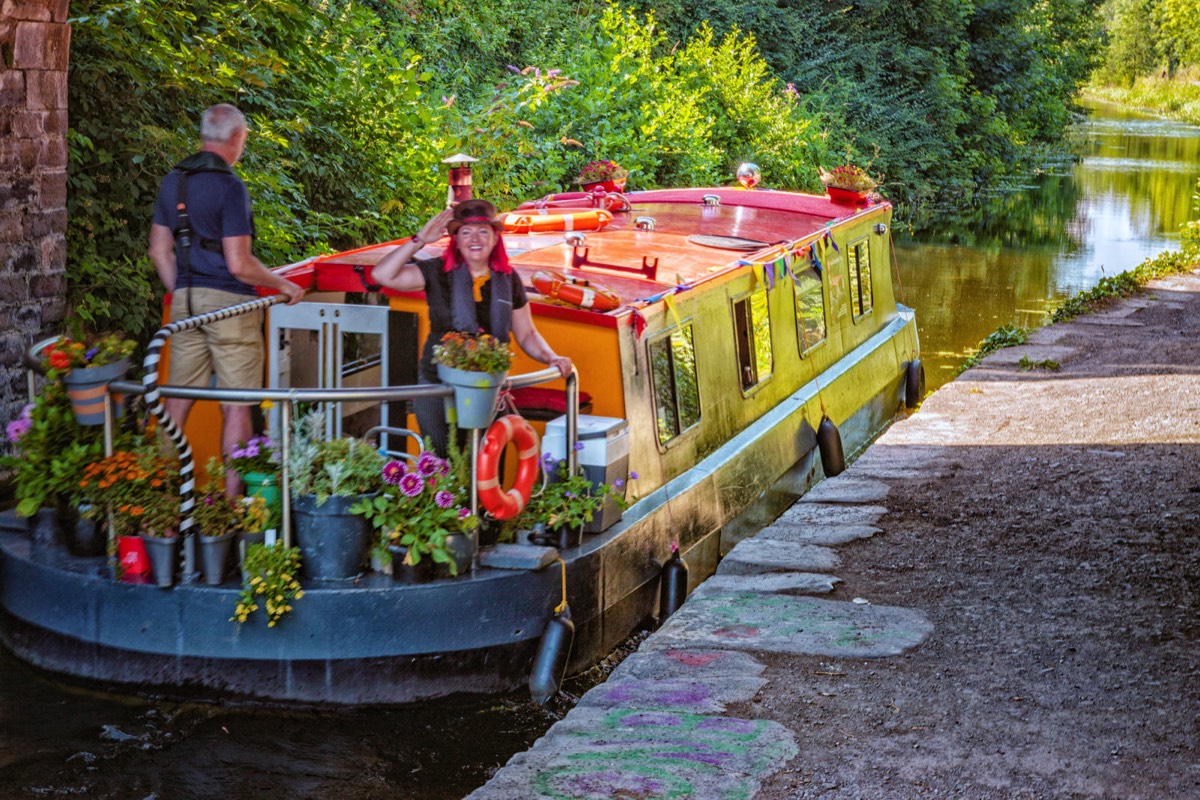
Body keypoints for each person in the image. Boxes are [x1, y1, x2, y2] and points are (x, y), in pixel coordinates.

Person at [148, 104, 304, 493]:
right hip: (231, 306)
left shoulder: (174, 181)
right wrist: (284, 286)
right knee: (236, 406)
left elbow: (158, 250)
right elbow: (239, 263)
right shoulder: (231, 187)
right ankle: (231, 514)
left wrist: (181, 290)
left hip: (185, 303)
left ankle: (159, 506)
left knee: (175, 404)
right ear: (236, 139)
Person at [371, 199, 572, 454]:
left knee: (485, 462)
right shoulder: (435, 272)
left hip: (487, 387)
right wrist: (420, 239)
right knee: (442, 457)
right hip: (436, 384)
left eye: (482, 231)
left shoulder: (509, 280)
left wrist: (552, 357)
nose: (474, 238)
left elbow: (527, 333)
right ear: (456, 239)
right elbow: (382, 275)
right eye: (466, 232)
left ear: (495, 238)